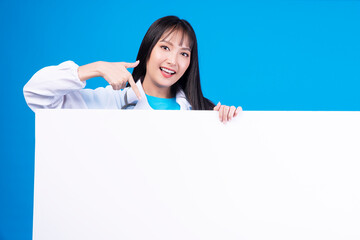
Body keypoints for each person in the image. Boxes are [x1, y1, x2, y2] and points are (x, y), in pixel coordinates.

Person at [24, 16, 242, 123]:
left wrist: (229, 125)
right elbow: (36, 94)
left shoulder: (203, 112)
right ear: (147, 50)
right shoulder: (109, 102)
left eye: (184, 53)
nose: (173, 61)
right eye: (165, 47)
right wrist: (95, 68)